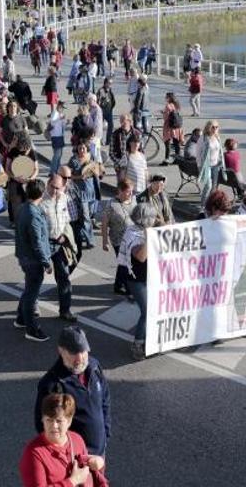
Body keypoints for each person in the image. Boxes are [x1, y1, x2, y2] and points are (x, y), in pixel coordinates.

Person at [34, 327, 111, 458]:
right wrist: (68, 457)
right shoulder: (52, 385)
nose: (80, 357)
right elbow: (45, 427)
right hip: (76, 460)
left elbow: (105, 401)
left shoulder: (94, 367)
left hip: (99, 454)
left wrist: (105, 435)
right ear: (61, 351)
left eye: (83, 351)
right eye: (73, 352)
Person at [20, 393, 106, 487]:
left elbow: (89, 469)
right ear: (42, 420)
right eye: (49, 420)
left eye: (59, 421)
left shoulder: (76, 440)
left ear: (69, 421)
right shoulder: (34, 453)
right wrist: (73, 481)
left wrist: (99, 462)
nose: (54, 426)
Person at [14, 179, 54, 342]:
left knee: (29, 288)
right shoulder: (33, 214)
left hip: (24, 256)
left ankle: (21, 319)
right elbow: (37, 241)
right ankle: (32, 328)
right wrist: (46, 262)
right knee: (32, 293)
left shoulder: (24, 208)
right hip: (32, 259)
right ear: (42, 193)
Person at [121, 203, 156, 360]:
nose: (155, 219)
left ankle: (149, 339)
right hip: (136, 280)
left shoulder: (137, 230)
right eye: (153, 217)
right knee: (147, 312)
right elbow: (141, 257)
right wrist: (149, 238)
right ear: (146, 220)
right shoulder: (134, 235)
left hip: (147, 278)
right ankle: (137, 344)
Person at [42, 172, 78, 323]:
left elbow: (67, 220)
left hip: (59, 242)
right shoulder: (41, 202)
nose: (55, 191)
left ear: (63, 187)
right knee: (36, 279)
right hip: (45, 243)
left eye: (58, 188)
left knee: (64, 277)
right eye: (52, 187)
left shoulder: (64, 198)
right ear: (47, 184)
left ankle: (65, 310)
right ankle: (25, 312)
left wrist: (64, 235)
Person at [101, 179, 135, 296]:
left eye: (131, 191)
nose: (130, 194)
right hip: (118, 239)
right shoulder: (111, 204)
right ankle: (129, 288)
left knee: (123, 263)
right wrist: (104, 241)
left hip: (133, 238)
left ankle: (118, 285)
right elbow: (104, 223)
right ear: (120, 191)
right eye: (127, 192)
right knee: (126, 262)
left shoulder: (133, 200)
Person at [195, 119, 224, 207]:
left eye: (216, 127)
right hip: (205, 165)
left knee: (214, 187)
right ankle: (203, 206)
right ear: (208, 128)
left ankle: (210, 204)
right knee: (208, 185)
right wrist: (200, 165)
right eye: (213, 127)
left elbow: (219, 151)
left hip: (215, 164)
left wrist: (221, 162)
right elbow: (198, 152)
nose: (215, 129)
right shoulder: (203, 138)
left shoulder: (217, 137)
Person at [161, 93, 184, 165]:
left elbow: (166, 117)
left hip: (169, 127)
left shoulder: (168, 106)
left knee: (167, 143)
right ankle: (178, 159)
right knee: (176, 143)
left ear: (169, 98)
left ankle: (166, 160)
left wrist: (163, 113)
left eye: (166, 97)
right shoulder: (177, 105)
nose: (165, 98)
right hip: (176, 127)